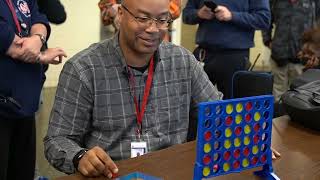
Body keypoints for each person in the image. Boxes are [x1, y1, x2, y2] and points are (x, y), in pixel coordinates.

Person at [44, 0, 222, 178]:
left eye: (162, 20)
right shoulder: (83, 69)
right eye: (143, 18)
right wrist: (80, 157)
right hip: (111, 174)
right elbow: (57, 140)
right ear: (121, 14)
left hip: (170, 171)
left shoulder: (183, 61)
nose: (153, 29)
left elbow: (218, 114)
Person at [0, 0, 67, 179]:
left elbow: (40, 17)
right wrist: (41, 55)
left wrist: (38, 38)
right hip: (3, 102)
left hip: (24, 101)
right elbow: (16, 47)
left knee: (24, 171)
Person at [182, 0, 271, 99]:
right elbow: (186, 15)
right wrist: (199, 14)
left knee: (232, 106)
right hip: (204, 55)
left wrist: (232, 16)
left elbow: (264, 19)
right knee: (194, 102)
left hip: (234, 57)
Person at [262, 0, 320, 103]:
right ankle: (277, 116)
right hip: (278, 55)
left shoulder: (314, 2)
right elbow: (267, 19)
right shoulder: (275, 1)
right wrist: (267, 40)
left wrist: (314, 50)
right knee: (276, 94)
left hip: (303, 58)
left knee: (300, 95)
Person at [98, 0, 181, 41]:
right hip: (123, 39)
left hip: (157, 39)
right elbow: (105, 16)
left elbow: (175, 10)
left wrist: (152, 11)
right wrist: (113, 9)